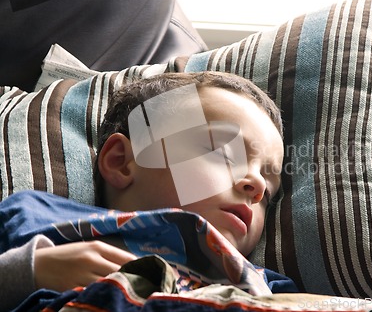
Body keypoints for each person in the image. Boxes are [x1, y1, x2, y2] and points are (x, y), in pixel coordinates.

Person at [0, 71, 291, 311]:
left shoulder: (264, 284)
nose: (256, 186)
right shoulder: (36, 215)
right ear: (122, 162)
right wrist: (28, 270)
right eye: (223, 155)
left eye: (268, 192)